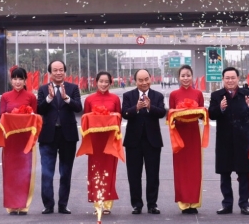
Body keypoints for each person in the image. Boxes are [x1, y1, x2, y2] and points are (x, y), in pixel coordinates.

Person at [209, 67, 249, 215]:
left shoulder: (246, 94)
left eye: (233, 78)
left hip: (242, 140)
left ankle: (244, 204)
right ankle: (227, 204)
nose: (230, 80)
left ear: (238, 79)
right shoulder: (217, 95)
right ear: (223, 79)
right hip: (224, 141)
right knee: (225, 174)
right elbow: (211, 114)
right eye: (227, 78)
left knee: (244, 174)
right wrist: (220, 108)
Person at [36, 60, 83, 214]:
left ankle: (63, 205)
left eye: (61, 70)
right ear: (50, 73)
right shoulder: (43, 89)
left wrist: (66, 98)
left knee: (66, 172)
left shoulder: (73, 88)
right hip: (48, 135)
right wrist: (49, 98)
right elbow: (39, 110)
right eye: (55, 70)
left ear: (65, 71)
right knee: (47, 172)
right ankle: (48, 205)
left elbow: (78, 108)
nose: (58, 73)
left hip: (67, 135)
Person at [0, 67, 40, 215]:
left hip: (25, 139)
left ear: (25, 80)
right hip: (10, 139)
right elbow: (2, 116)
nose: (17, 82)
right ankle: (11, 205)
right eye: (14, 79)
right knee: (10, 172)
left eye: (20, 79)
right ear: (11, 80)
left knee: (24, 172)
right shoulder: (5, 96)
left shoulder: (31, 97)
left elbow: (35, 117)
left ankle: (23, 205)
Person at [122, 69, 166, 214]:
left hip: (152, 141)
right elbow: (124, 113)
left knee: (153, 174)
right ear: (135, 81)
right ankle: (137, 204)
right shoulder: (128, 96)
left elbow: (162, 113)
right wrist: (136, 108)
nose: (144, 82)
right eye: (140, 80)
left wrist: (149, 107)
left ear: (150, 79)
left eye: (146, 79)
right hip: (133, 141)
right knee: (134, 174)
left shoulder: (157, 96)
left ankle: (152, 204)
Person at [168, 65, 207, 214]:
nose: (186, 78)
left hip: (193, 132)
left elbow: (202, 114)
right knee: (181, 167)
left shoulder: (198, 93)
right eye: (183, 75)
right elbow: (170, 115)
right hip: (179, 133)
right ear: (179, 77)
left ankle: (194, 202)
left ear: (192, 77)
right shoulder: (174, 94)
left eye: (188, 75)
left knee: (195, 167)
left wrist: (198, 113)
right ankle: (184, 202)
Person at [82, 72, 122, 213]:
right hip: (95, 140)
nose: (104, 84)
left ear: (110, 83)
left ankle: (107, 204)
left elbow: (119, 117)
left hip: (110, 139)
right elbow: (85, 119)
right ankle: (98, 203)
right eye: (101, 81)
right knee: (95, 171)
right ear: (96, 82)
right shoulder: (89, 99)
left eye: (106, 82)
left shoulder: (115, 99)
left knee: (110, 170)